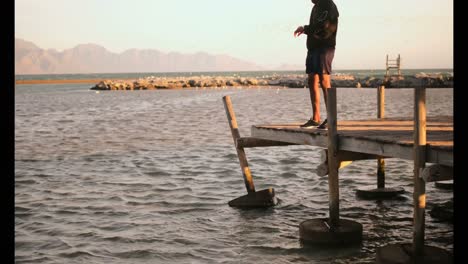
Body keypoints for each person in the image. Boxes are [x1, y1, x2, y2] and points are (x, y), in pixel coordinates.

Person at [294, 0, 339, 129]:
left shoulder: (327, 5)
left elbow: (324, 25)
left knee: (324, 79)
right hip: (313, 47)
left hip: (325, 47)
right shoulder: (316, 7)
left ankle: (331, 118)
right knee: (312, 79)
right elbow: (317, 26)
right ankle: (315, 118)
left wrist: (305, 28)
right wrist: (306, 29)